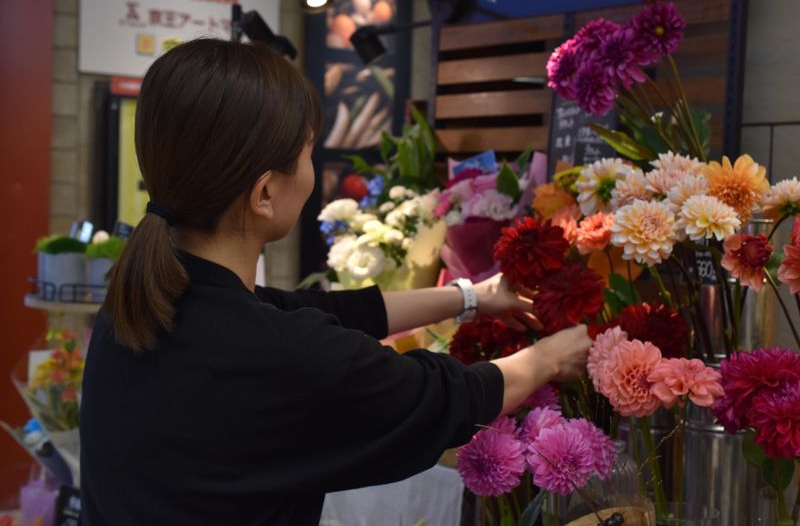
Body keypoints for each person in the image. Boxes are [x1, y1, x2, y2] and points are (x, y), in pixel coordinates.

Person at [79, 38, 592, 526]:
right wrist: (549, 357)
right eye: (306, 153)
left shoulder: (141, 302)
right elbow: (436, 396)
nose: (310, 171)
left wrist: (471, 297)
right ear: (263, 194)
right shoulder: (270, 353)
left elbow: (318, 312)